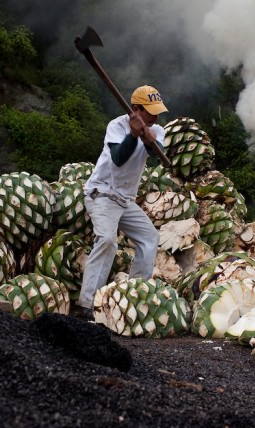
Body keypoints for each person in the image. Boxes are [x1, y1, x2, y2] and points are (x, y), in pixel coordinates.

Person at [72, 85, 169, 320]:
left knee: (149, 238)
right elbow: (117, 159)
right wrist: (133, 135)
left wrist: (148, 140)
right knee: (107, 240)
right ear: (136, 109)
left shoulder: (157, 129)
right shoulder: (116, 126)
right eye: (150, 112)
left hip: (125, 200)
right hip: (102, 194)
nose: (155, 117)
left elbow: (158, 154)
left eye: (158, 112)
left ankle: (133, 294)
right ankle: (87, 303)